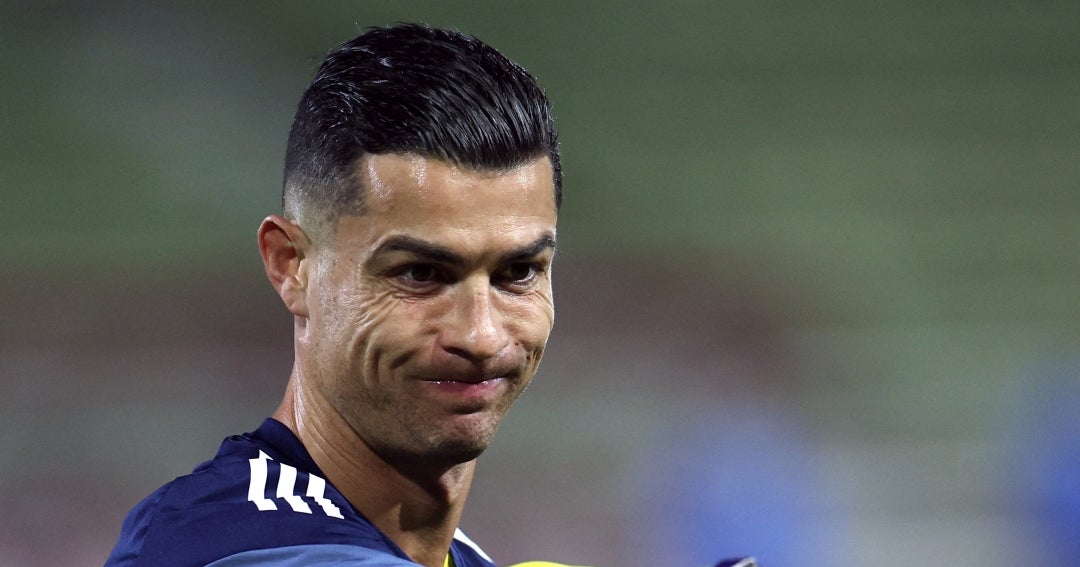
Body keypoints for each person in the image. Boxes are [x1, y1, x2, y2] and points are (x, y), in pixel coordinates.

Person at [105, 23, 561, 567]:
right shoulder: (231, 543)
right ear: (291, 265)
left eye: (518, 272)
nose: (481, 337)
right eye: (419, 274)